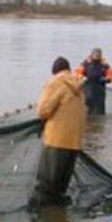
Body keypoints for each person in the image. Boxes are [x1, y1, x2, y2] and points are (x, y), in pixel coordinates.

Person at [33, 57, 86, 205]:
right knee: (61, 186)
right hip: (75, 142)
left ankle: (44, 217)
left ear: (54, 71)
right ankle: (59, 216)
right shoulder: (79, 86)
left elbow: (43, 111)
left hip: (56, 141)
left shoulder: (55, 83)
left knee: (46, 184)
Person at [74, 47, 112, 115]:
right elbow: (76, 73)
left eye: (99, 55)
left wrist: (106, 79)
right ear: (92, 55)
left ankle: (99, 123)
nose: (97, 56)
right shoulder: (85, 64)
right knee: (86, 111)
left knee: (100, 112)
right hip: (87, 91)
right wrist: (82, 77)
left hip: (100, 93)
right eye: (96, 55)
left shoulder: (105, 65)